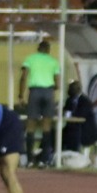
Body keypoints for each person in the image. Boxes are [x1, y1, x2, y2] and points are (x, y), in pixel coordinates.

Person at [17, 39, 61, 168]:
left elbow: (24, 76)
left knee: (31, 125)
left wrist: (20, 95)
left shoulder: (30, 58)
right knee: (46, 126)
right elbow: (57, 82)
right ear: (48, 50)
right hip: (48, 92)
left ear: (38, 49)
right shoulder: (53, 61)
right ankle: (44, 160)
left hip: (34, 92)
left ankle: (30, 160)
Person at [61, 80, 97, 155]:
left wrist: (70, 113)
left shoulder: (85, 101)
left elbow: (81, 115)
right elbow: (65, 111)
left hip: (86, 130)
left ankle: (74, 153)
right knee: (58, 133)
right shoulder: (69, 100)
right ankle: (59, 153)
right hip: (72, 128)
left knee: (73, 133)